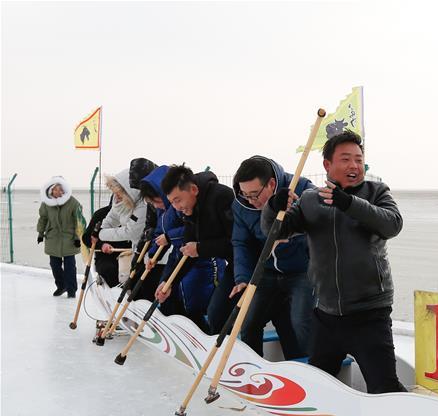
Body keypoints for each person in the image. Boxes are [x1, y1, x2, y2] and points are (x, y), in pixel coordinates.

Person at [261, 131, 405, 394]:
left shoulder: (376, 192)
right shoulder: (310, 200)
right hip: (326, 315)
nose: (354, 166)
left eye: (359, 160)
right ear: (327, 165)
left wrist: (349, 203)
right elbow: (275, 232)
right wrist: (273, 206)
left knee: (384, 388)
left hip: (370, 313)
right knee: (318, 384)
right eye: (346, 159)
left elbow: (392, 224)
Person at [232, 156, 316, 359]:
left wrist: (295, 237)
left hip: (302, 270)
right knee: (248, 320)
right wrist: (242, 278)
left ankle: (314, 369)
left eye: (254, 194)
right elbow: (241, 243)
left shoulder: (302, 188)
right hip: (267, 271)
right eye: (245, 195)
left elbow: (321, 228)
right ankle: (253, 372)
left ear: (271, 183)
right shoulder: (241, 205)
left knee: (301, 322)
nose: (251, 201)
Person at [157, 165, 235, 334]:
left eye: (178, 200)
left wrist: (200, 248)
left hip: (249, 262)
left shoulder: (222, 197)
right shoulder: (190, 209)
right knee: (217, 313)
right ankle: (220, 355)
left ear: (193, 189)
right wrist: (169, 282)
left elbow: (237, 242)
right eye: (172, 202)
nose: (176, 207)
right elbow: (187, 252)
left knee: (249, 319)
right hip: (235, 266)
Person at [140, 165, 218, 330]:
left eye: (158, 201)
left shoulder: (189, 205)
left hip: (203, 262)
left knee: (194, 304)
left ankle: (206, 339)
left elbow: (195, 231)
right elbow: (161, 233)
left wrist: (170, 237)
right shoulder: (167, 211)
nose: (157, 206)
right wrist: (152, 255)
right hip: (180, 257)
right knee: (170, 297)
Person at [93, 170, 148, 286]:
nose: (116, 197)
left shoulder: (142, 206)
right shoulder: (119, 204)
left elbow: (131, 231)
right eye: (114, 193)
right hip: (136, 248)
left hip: (146, 249)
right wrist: (101, 232)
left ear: (129, 192)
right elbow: (110, 219)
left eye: (119, 194)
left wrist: (102, 234)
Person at [36, 176, 85, 298]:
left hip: (70, 238)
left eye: (60, 189)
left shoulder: (73, 202)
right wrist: (40, 234)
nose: (58, 192)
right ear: (51, 190)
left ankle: (71, 290)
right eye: (55, 189)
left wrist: (77, 237)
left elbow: (79, 221)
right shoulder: (46, 204)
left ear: (64, 190)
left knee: (70, 267)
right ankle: (61, 286)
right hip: (53, 238)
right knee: (55, 265)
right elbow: (43, 219)